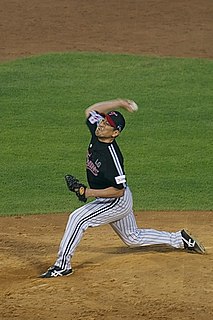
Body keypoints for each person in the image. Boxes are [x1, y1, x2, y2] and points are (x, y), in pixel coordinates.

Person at [40, 98, 205, 278]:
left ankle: (62, 265)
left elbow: (118, 190)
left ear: (115, 133)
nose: (101, 125)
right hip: (113, 198)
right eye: (103, 121)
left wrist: (86, 192)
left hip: (115, 201)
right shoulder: (97, 132)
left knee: (77, 219)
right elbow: (91, 110)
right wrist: (119, 103)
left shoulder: (113, 159)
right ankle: (180, 239)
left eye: (107, 125)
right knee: (132, 238)